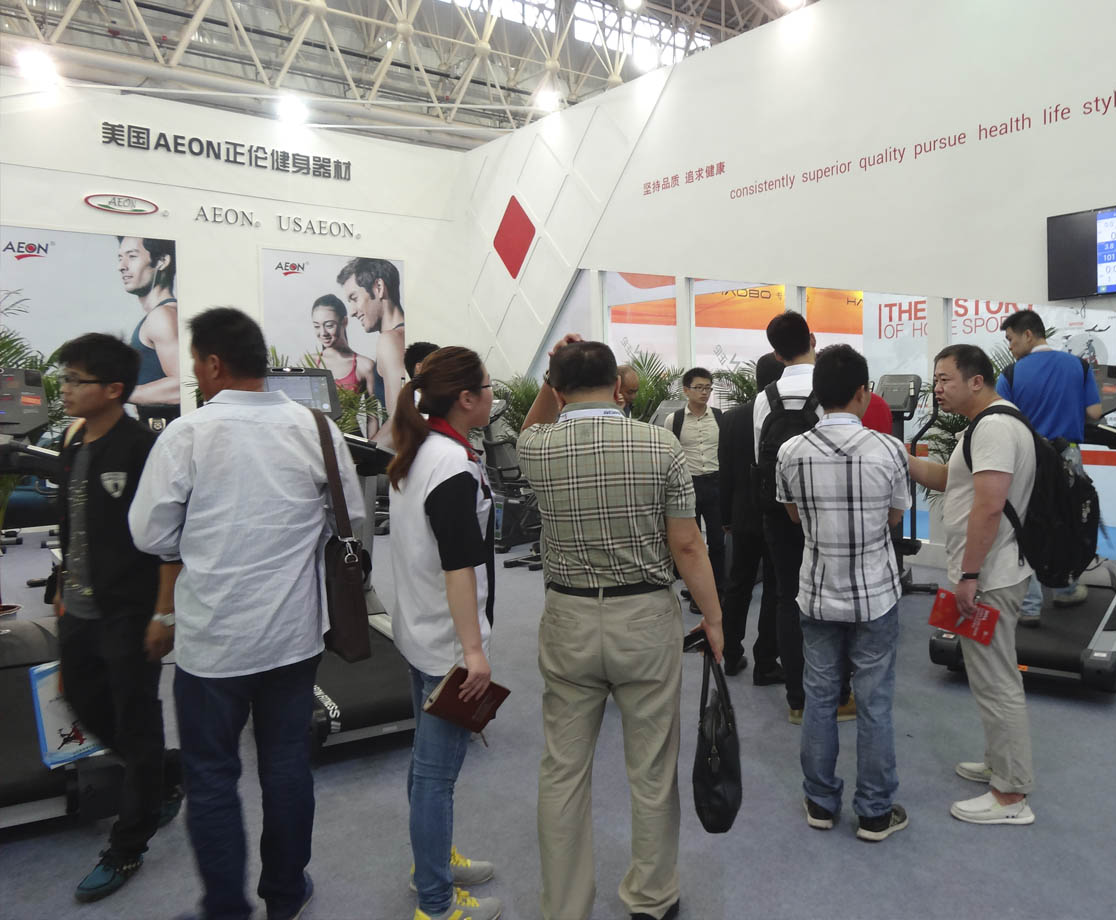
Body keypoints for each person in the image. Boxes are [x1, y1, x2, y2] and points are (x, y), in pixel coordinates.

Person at [129, 307, 364, 920]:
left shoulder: (187, 435)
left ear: (212, 364)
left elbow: (150, 533)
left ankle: (226, 909)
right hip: (293, 637)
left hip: (212, 643)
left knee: (212, 776)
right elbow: (351, 520)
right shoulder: (316, 429)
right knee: (286, 766)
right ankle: (285, 894)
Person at [517, 336, 723, 920]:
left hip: (569, 618)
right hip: (645, 619)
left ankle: (565, 907)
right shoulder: (661, 445)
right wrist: (713, 618)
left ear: (558, 391)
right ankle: (651, 898)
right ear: (617, 386)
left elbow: (531, 427)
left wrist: (550, 383)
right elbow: (688, 544)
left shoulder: (538, 447)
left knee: (563, 769)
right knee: (652, 767)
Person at [52, 333, 183, 903]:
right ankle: (161, 775)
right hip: (79, 608)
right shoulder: (72, 440)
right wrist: (62, 591)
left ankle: (128, 844)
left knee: (136, 719)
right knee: (82, 702)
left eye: (74, 379)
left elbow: (169, 540)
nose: (63, 387)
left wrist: (163, 613)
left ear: (113, 390)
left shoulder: (141, 449)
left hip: (130, 612)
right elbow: (71, 524)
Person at [386, 347, 501, 920]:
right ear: (465, 398)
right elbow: (459, 566)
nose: (493, 394)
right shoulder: (450, 465)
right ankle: (434, 903)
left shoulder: (420, 450)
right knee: (436, 778)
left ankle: (429, 864)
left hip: (420, 630)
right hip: (447, 646)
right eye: (488, 386)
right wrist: (473, 653)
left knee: (424, 767)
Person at [777, 344, 909, 841]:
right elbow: (894, 518)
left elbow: (793, 516)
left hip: (816, 592)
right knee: (875, 703)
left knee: (819, 697)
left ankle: (820, 802)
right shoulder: (889, 450)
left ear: (817, 394)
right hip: (875, 594)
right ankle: (874, 812)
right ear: (862, 393)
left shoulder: (791, 451)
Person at [907, 344, 1037, 826]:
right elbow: (952, 481)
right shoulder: (983, 426)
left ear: (976, 381)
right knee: (987, 676)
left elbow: (989, 505)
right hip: (987, 571)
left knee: (997, 680)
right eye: (936, 379)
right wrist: (904, 459)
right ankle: (998, 762)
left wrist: (969, 575)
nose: (937, 388)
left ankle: (1011, 795)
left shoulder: (995, 428)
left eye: (946, 379)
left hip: (989, 576)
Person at [754, 311, 853, 725]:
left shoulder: (764, 398)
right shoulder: (829, 388)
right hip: (825, 509)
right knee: (833, 596)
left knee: (787, 597)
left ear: (776, 354)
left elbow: (760, 459)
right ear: (813, 339)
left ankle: (797, 699)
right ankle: (838, 694)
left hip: (777, 510)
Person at [998, 309, 1102, 625]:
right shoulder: (1079, 366)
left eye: (1011, 339)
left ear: (1028, 334)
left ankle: (1028, 606)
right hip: (1067, 454)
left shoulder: (1010, 374)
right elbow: (1095, 413)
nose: (1010, 347)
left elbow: (1000, 419)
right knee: (1067, 520)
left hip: (1026, 456)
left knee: (1025, 526)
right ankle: (1065, 588)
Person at [717, 352, 784, 683]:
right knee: (775, 588)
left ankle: (730, 654)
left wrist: (726, 517)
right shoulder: (786, 414)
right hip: (777, 515)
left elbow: (725, 473)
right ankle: (766, 662)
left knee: (738, 585)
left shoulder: (731, 418)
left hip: (742, 516)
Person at [664, 367, 725, 612]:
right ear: (686, 390)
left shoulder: (720, 417)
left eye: (708, 388)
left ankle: (717, 589)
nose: (704, 392)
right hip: (688, 485)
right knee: (691, 543)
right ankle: (695, 590)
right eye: (699, 387)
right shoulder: (674, 420)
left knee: (718, 542)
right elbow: (669, 454)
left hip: (716, 484)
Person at [338, 257, 406, 443]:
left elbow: (400, 422)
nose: (352, 311)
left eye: (354, 298)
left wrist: (359, 456)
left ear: (379, 287)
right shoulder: (406, 335)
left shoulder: (390, 340)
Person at [118, 235, 179, 424]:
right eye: (120, 258)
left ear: (162, 261)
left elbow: (183, 386)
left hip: (165, 431)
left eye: (132, 256)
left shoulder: (161, 316)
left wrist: (116, 392)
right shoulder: (161, 315)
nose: (122, 266)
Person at [311, 294, 378, 437]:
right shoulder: (308, 363)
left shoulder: (364, 366)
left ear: (344, 322)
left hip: (352, 443)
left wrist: (370, 449)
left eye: (329, 325)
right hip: (319, 442)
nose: (323, 333)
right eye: (317, 326)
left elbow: (372, 417)